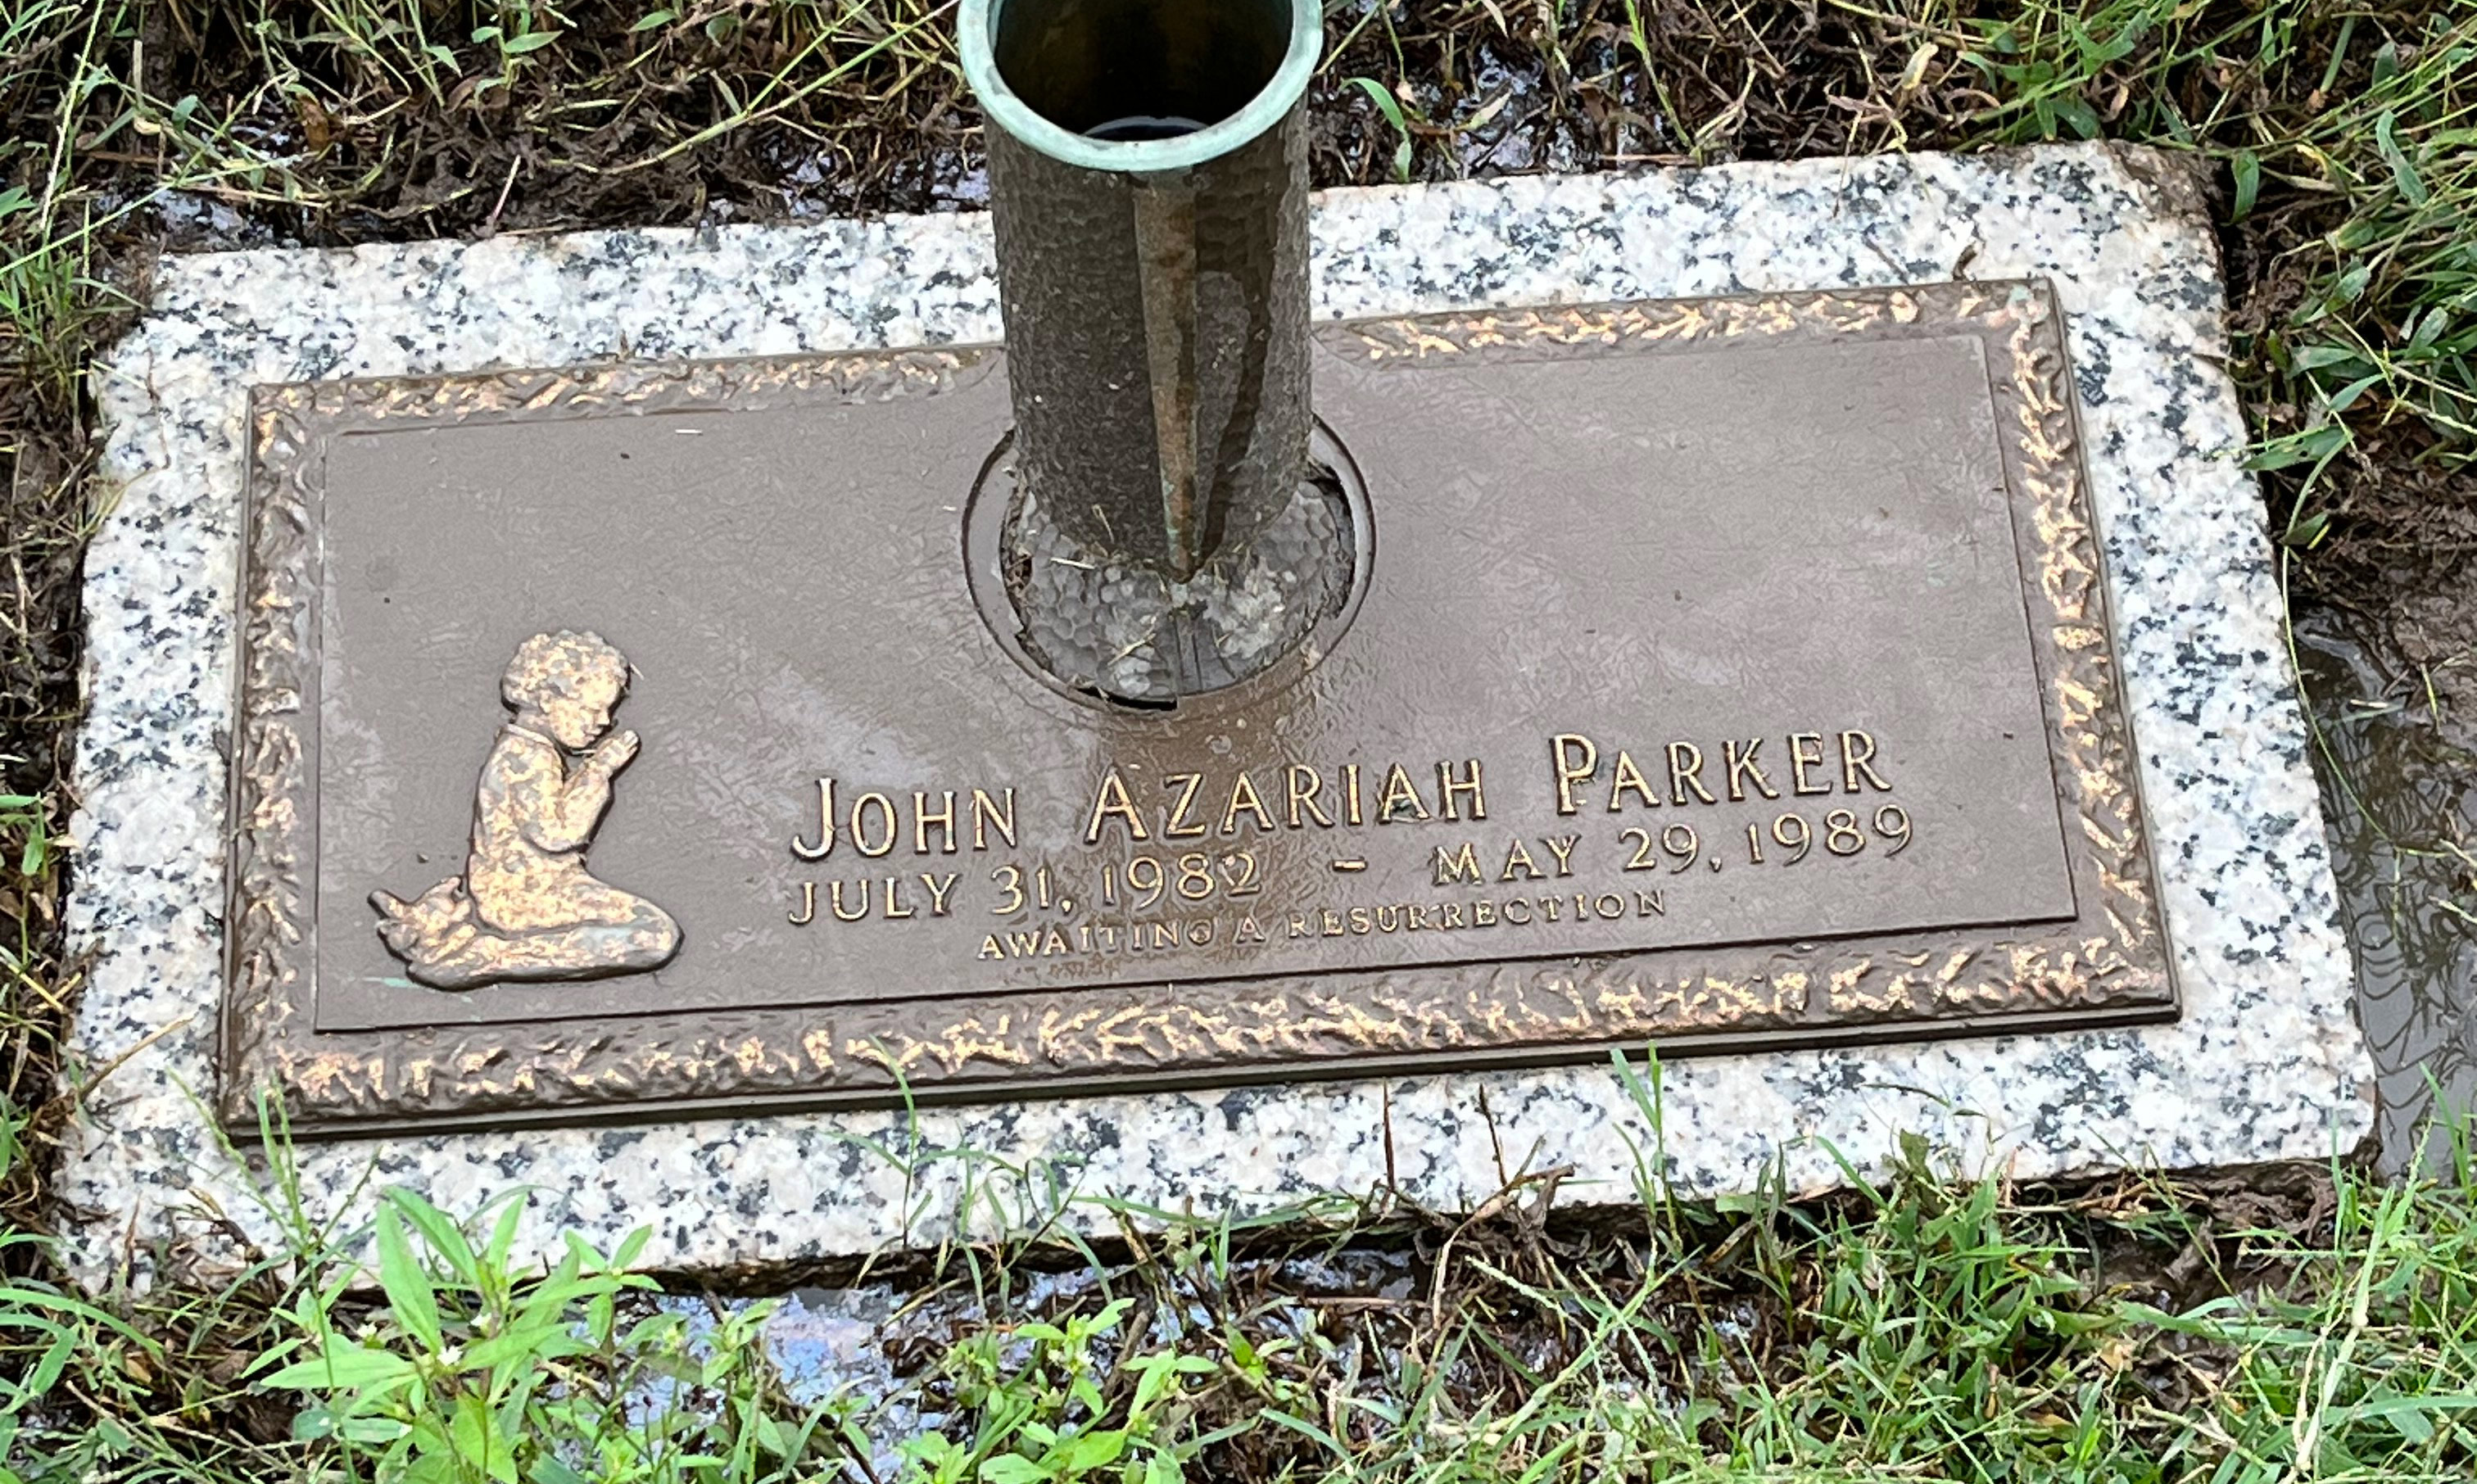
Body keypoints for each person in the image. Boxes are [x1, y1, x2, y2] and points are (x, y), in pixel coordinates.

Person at [371, 629, 681, 989]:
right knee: (654, 936)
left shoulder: (528, 750)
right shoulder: (524, 758)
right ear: (549, 698)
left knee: (651, 930)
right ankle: (494, 957)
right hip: (522, 895)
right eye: (592, 708)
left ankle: (490, 952)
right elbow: (559, 833)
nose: (603, 721)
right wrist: (599, 770)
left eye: (608, 710)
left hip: (538, 885)